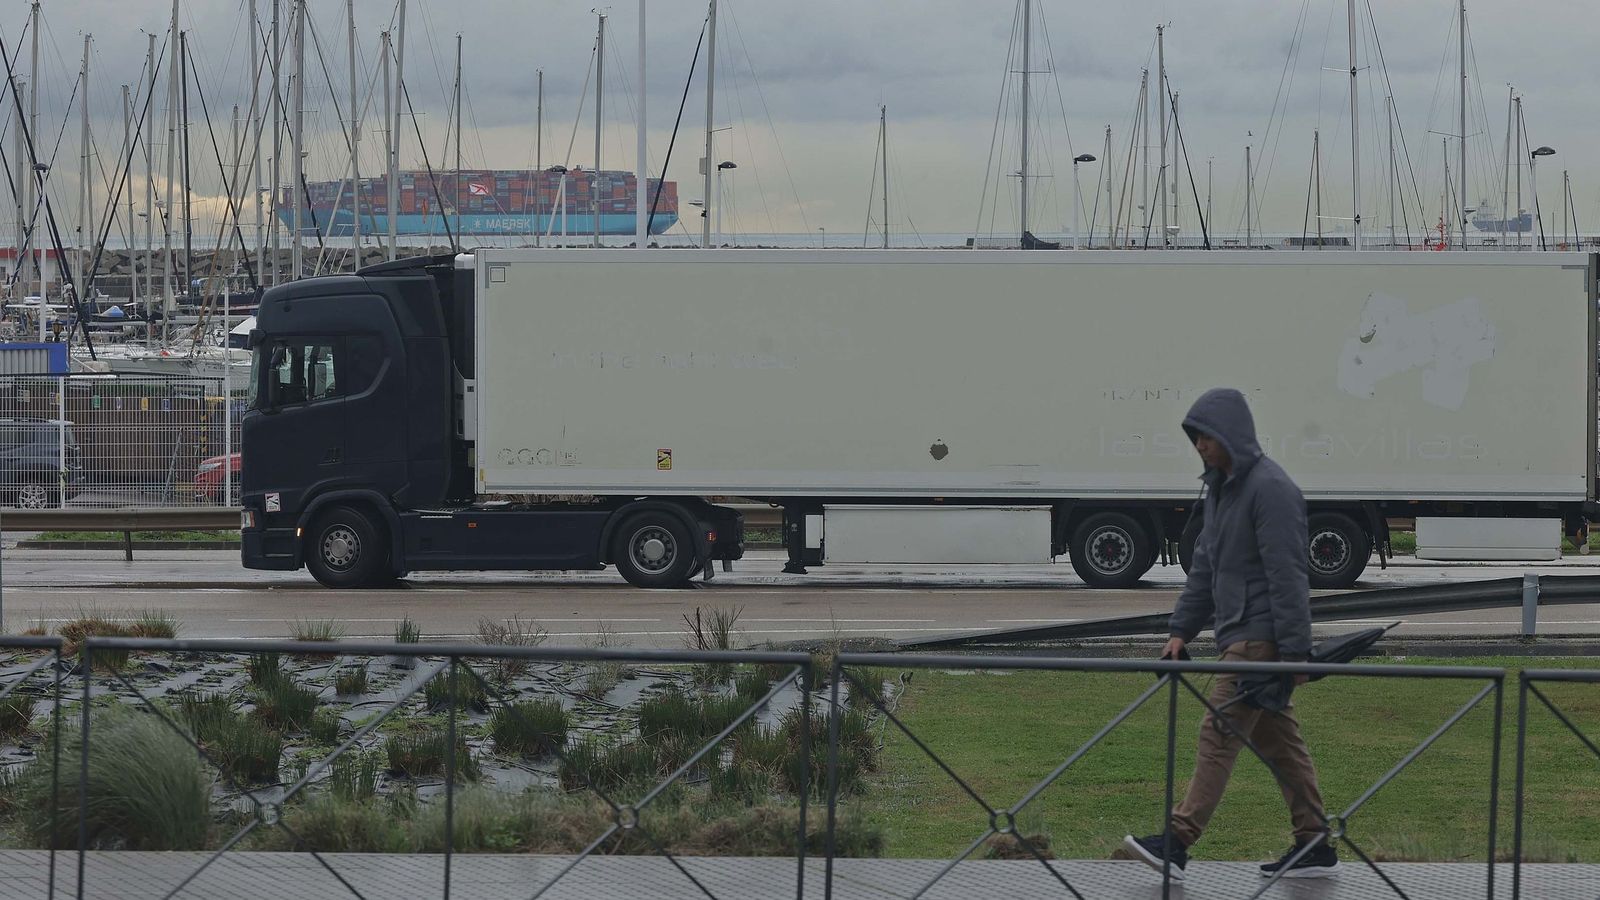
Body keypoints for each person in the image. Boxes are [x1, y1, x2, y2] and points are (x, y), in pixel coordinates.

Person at [1122, 388, 1339, 881]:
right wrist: (1180, 630)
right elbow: (1205, 567)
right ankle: (1315, 844)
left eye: (1206, 436)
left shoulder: (1271, 489)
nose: (1199, 445)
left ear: (1231, 435)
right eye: (1194, 437)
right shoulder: (1221, 490)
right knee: (1282, 746)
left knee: (1217, 733)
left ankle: (1176, 842)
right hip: (1238, 636)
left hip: (1258, 642)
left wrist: (1294, 655)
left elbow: (1288, 576)